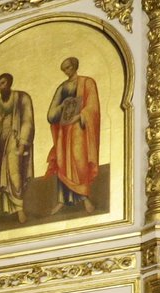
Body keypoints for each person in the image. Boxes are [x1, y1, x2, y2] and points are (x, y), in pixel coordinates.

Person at [44, 56, 101, 212]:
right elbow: (51, 115)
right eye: (64, 69)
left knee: (79, 161)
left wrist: (80, 116)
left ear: (75, 66)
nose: (66, 72)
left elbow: (93, 106)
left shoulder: (87, 82)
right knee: (63, 164)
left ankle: (84, 198)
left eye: (68, 68)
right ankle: (62, 200)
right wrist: (62, 107)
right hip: (64, 131)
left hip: (80, 129)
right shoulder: (62, 88)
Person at [0, 73, 35, 226]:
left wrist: (22, 143)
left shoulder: (22, 98)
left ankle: (19, 209)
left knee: (14, 173)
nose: (1, 87)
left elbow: (28, 121)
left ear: (9, 82)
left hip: (15, 140)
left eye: (3, 83)